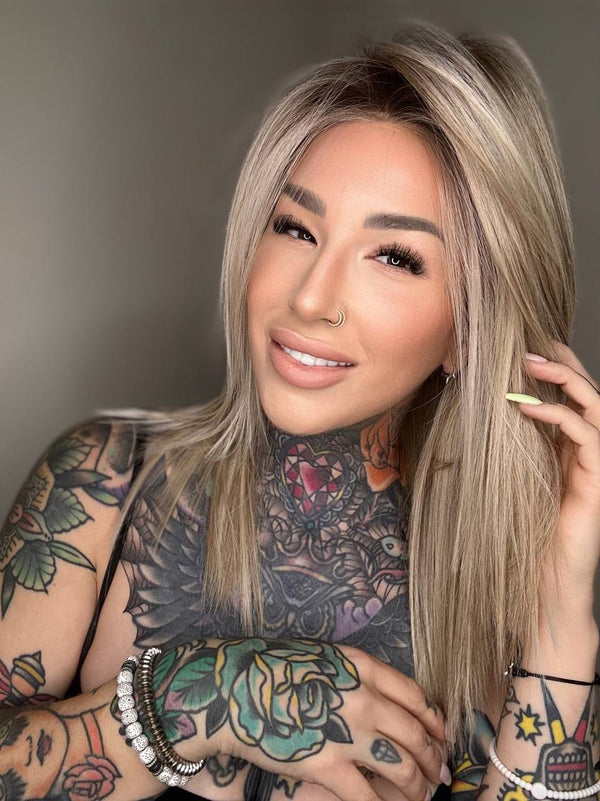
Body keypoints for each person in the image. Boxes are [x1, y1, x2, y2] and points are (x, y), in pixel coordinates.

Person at [0, 18, 598, 801]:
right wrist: (203, 695)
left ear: (470, 328)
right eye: (295, 226)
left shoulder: (500, 594)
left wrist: (562, 614)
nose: (311, 297)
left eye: (395, 257)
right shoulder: (101, 483)